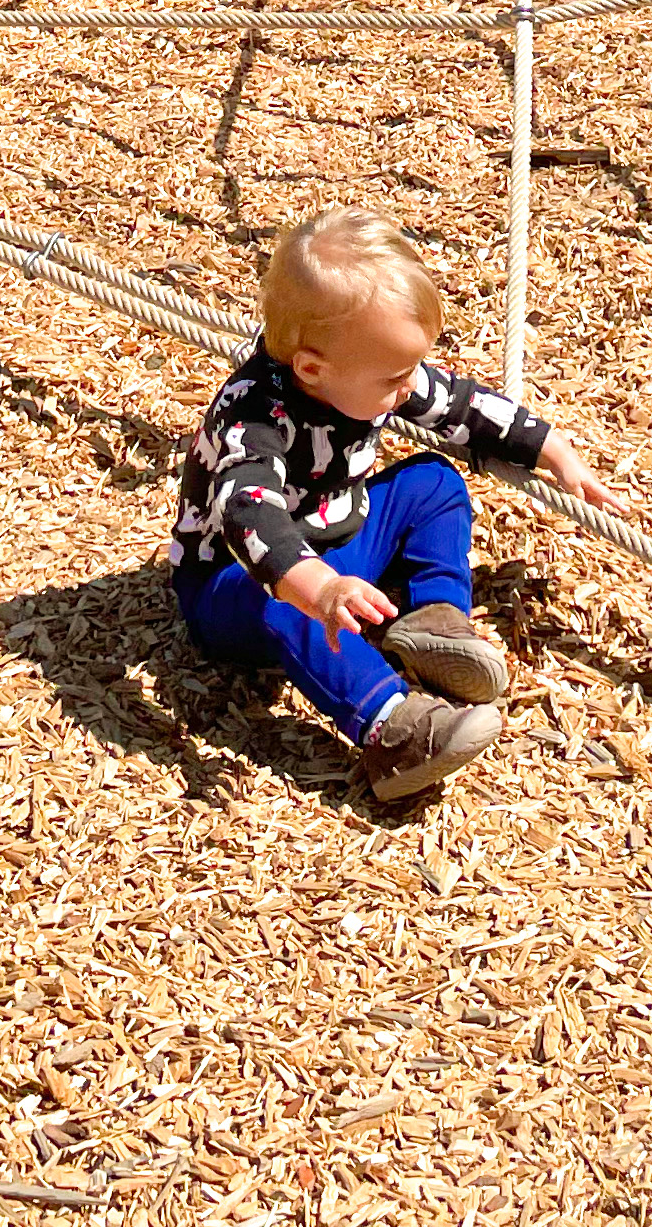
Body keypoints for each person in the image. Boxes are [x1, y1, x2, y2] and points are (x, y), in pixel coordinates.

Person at [170, 209, 625, 804]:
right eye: (396, 377)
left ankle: (435, 620)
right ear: (311, 367)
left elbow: (460, 406)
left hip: (336, 535)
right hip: (236, 582)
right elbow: (247, 510)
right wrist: (319, 586)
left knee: (434, 480)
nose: (408, 388)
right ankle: (392, 728)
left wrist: (554, 452)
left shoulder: (365, 370)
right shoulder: (253, 417)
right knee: (290, 603)